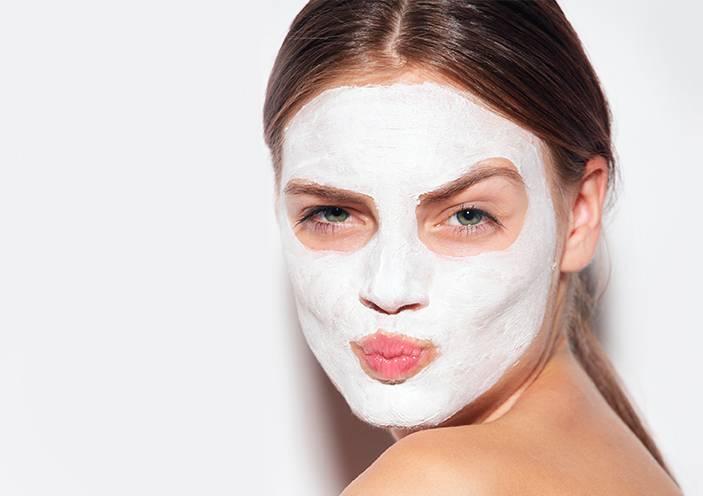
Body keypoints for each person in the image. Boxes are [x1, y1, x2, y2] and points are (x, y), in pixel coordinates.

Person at [263, 1, 681, 494]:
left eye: (467, 216)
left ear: (579, 214)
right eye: (333, 213)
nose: (389, 288)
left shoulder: (432, 481)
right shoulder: (616, 461)